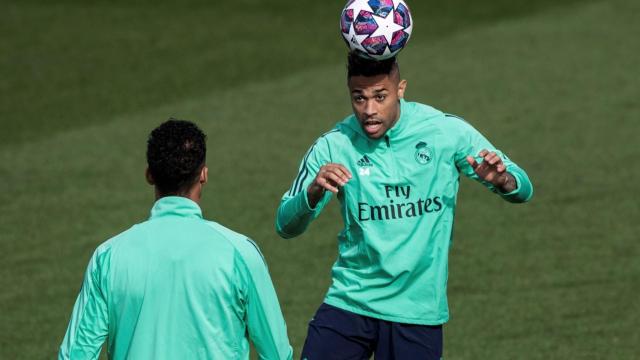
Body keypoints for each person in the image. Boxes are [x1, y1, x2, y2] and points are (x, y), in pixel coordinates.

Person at [276, 53, 533, 359]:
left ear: (401, 90)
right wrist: (313, 191)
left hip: (417, 310)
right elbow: (285, 224)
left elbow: (523, 188)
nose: (369, 110)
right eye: (359, 98)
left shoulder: (445, 132)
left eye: (379, 97)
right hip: (351, 300)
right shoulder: (335, 145)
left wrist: (503, 181)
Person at [59, 119, 293, 360]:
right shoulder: (241, 253)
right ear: (203, 174)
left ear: (149, 175)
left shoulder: (108, 257)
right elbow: (277, 353)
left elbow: (75, 355)